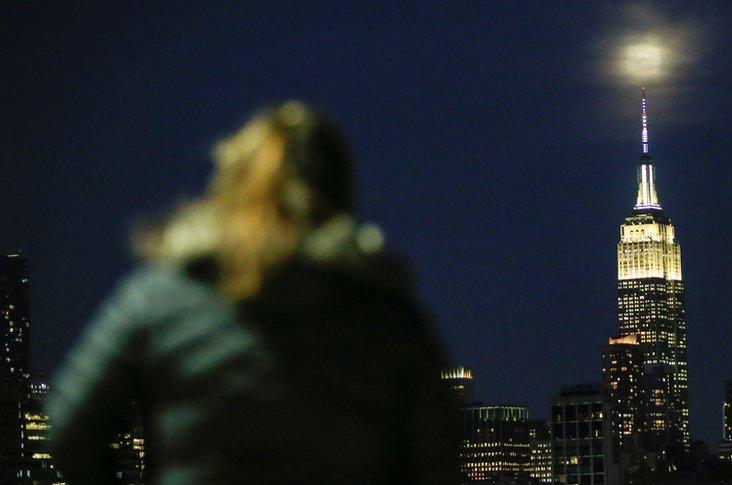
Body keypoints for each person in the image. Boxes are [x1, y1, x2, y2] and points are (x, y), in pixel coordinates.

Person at [46, 102, 459, 484]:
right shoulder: (387, 316)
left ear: (228, 185)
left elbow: (67, 435)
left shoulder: (160, 297)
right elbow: (438, 463)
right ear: (340, 195)